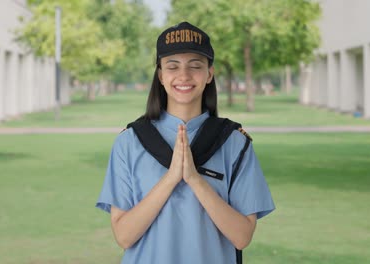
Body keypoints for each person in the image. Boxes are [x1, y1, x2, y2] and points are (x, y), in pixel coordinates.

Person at [96, 21, 275, 264]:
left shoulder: (234, 143)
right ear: (160, 75)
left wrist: (194, 179)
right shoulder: (130, 142)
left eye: (195, 66)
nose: (184, 76)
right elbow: (124, 236)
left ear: (209, 74)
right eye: (173, 66)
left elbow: (242, 236)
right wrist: (170, 179)